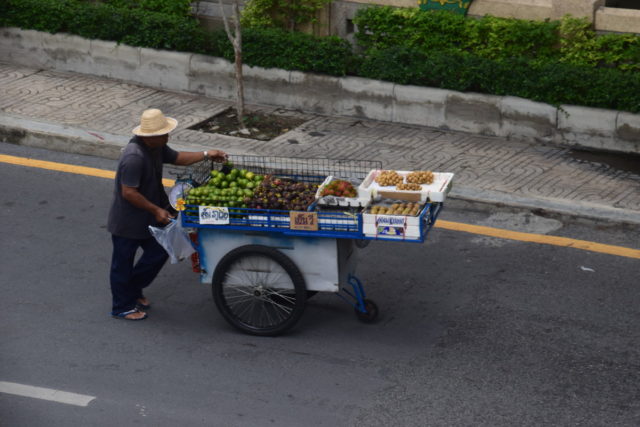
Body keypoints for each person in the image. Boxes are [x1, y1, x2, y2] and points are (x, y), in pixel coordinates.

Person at [107, 108, 227, 321]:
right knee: (122, 263)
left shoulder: (156, 147)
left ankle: (133, 289)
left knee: (160, 251)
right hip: (129, 220)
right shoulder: (134, 157)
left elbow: (178, 158)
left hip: (151, 214)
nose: (167, 137)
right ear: (150, 137)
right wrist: (156, 210)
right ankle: (122, 306)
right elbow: (129, 192)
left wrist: (208, 154)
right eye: (163, 134)